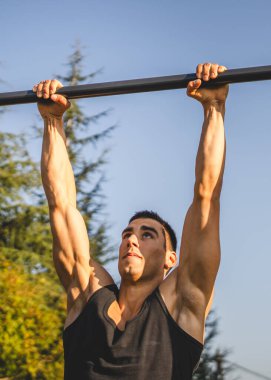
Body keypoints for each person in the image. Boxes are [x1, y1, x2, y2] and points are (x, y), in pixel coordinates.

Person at [33, 62, 228, 380]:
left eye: (147, 234)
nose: (131, 239)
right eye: (128, 233)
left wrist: (214, 107)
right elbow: (61, 206)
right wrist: (52, 121)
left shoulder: (181, 304)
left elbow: (206, 198)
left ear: (170, 259)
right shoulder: (88, 297)